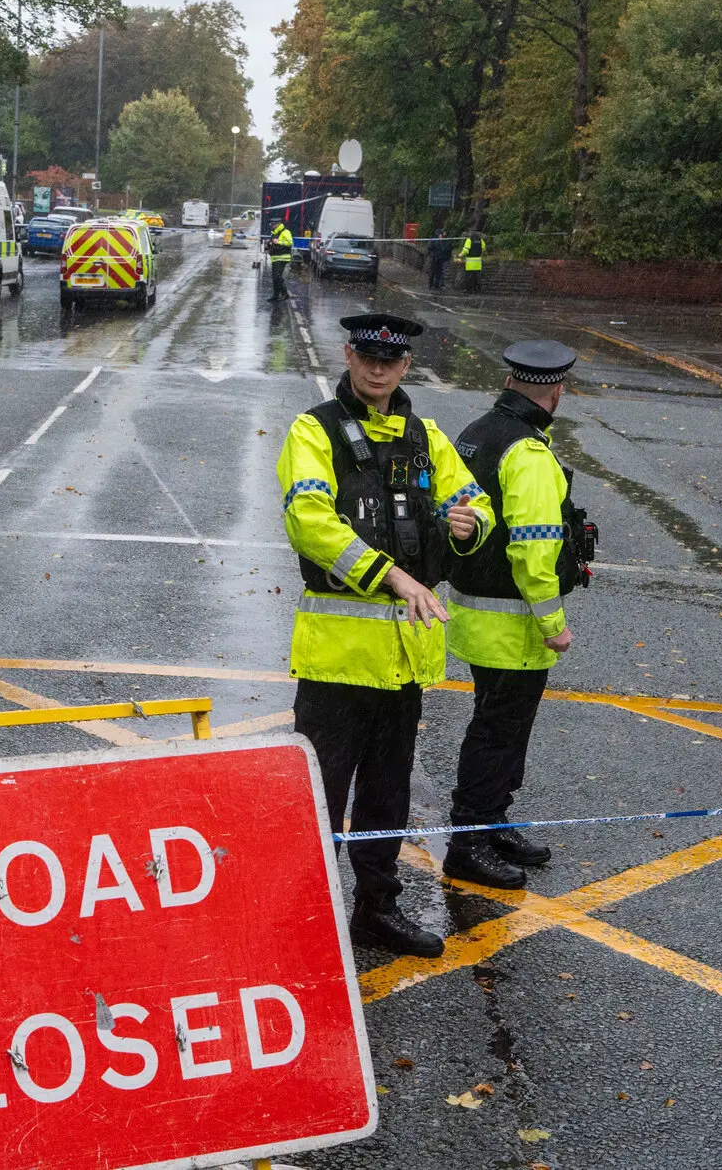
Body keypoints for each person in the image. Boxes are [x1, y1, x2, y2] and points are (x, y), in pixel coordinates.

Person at [277, 313, 494, 957]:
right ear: (348, 355)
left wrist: (466, 525)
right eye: (367, 356)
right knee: (319, 799)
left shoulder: (426, 436)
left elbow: (476, 500)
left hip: (404, 663)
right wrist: (394, 577)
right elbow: (310, 522)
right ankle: (301, 919)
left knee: (386, 796)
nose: (378, 369)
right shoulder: (314, 430)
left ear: (406, 367)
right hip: (339, 661)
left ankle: (377, 908)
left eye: (391, 360)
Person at [440, 340, 592, 889]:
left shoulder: (478, 432)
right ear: (556, 392)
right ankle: (469, 842)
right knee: (497, 732)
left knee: (497, 725)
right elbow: (533, 551)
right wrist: (555, 625)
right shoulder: (527, 453)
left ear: (509, 384)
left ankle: (493, 820)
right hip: (513, 624)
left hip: (476, 616)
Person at [267, 219, 295, 302]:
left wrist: (279, 241)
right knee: (275, 278)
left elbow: (290, 242)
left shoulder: (285, 231)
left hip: (282, 257)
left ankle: (284, 293)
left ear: (278, 224)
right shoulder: (274, 232)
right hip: (275, 257)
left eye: (273, 224)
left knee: (277, 277)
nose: (272, 226)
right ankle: (275, 295)